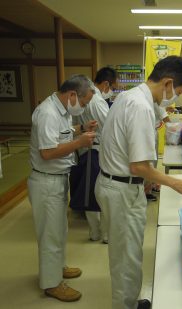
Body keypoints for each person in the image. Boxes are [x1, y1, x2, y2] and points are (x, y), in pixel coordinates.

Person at [95, 56, 182, 309]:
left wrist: (146, 180)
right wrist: (173, 183)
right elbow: (138, 165)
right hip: (121, 187)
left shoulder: (130, 97)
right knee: (126, 256)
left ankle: (129, 299)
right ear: (168, 82)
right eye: (179, 92)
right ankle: (125, 305)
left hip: (119, 183)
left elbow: (132, 158)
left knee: (126, 251)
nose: (176, 98)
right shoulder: (140, 106)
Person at [28, 75, 97, 302]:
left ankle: (57, 267)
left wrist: (81, 128)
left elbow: (61, 135)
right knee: (50, 233)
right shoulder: (47, 113)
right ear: (72, 95)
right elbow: (46, 153)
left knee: (59, 230)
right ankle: (51, 283)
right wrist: (79, 143)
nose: (83, 107)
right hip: (46, 181)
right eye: (84, 103)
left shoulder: (61, 110)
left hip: (57, 178)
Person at [69, 67, 117, 243]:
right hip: (96, 151)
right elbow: (111, 128)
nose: (111, 91)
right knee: (100, 193)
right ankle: (102, 234)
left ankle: (95, 232)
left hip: (85, 150)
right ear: (105, 84)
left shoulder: (88, 99)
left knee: (91, 192)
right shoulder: (96, 101)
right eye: (112, 87)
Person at [145, 103, 171, 202]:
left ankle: (151, 186)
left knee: (153, 162)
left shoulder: (155, 102)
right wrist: (178, 129)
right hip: (150, 134)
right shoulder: (157, 102)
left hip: (152, 132)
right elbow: (167, 121)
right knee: (151, 163)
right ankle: (147, 191)